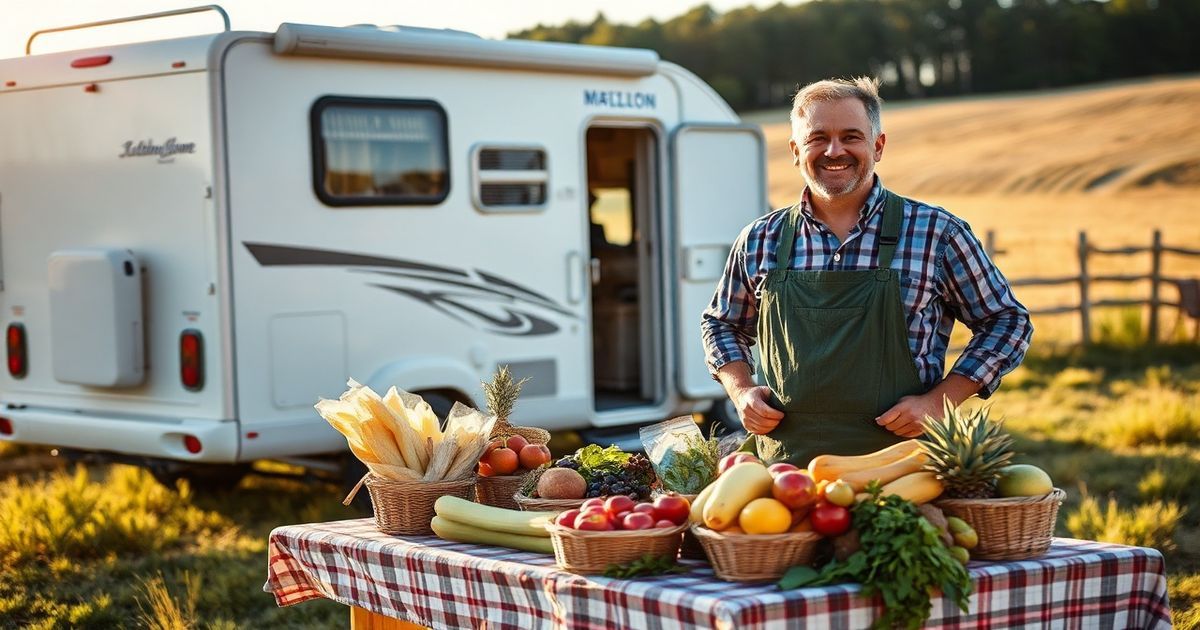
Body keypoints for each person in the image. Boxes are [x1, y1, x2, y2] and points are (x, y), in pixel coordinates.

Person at [700, 76, 1033, 466]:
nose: (834, 150)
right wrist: (741, 391)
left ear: (878, 145)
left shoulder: (936, 232)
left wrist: (939, 401)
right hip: (784, 476)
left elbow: (1007, 321)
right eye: (817, 138)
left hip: (905, 470)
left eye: (851, 136)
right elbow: (720, 323)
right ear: (795, 150)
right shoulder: (760, 239)